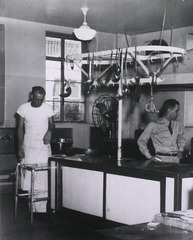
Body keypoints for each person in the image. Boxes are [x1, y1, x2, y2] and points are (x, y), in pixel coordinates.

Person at [16, 86, 55, 212]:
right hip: (28, 146)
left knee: (43, 178)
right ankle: (32, 209)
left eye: (41, 99)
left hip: (43, 147)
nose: (39, 102)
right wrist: (19, 147)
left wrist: (49, 132)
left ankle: (42, 211)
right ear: (31, 96)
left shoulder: (47, 108)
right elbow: (19, 129)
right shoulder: (23, 108)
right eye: (37, 99)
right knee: (29, 178)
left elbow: (52, 125)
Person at [137, 99, 186, 164]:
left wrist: (180, 150)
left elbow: (181, 138)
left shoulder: (177, 124)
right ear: (169, 110)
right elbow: (141, 141)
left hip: (176, 160)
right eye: (176, 111)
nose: (178, 113)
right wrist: (149, 157)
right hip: (161, 160)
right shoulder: (154, 125)